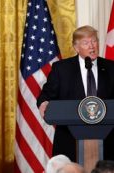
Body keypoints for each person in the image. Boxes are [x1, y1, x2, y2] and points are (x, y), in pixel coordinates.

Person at [37, 25, 114, 161]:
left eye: (94, 41)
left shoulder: (111, 67)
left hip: (108, 141)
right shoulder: (62, 68)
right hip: (69, 140)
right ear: (76, 48)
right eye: (86, 43)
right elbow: (47, 94)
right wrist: (43, 102)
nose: (91, 46)